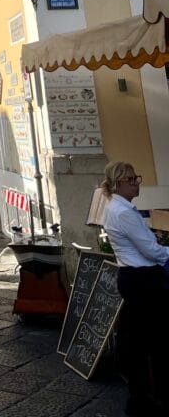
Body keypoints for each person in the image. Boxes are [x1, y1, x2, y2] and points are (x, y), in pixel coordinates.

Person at [101, 160, 169, 416]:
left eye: (136, 178)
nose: (136, 184)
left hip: (133, 277)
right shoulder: (124, 212)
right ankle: (150, 397)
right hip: (144, 279)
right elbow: (150, 251)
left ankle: (142, 397)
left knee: (139, 340)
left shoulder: (115, 208)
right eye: (131, 180)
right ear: (117, 183)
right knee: (156, 341)